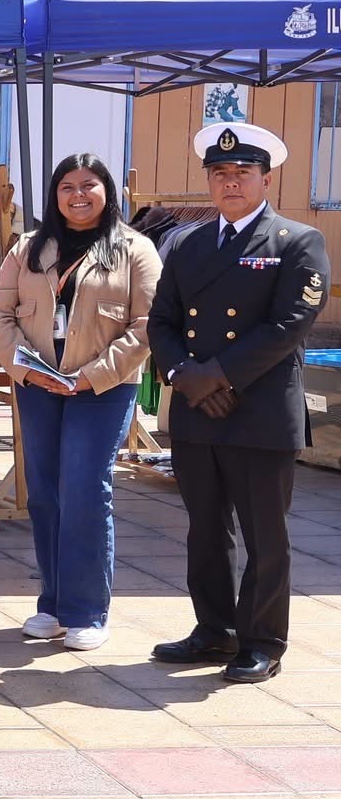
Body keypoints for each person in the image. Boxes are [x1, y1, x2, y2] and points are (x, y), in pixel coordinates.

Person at [147, 122, 328, 684]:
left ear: (265, 178)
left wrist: (219, 377)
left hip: (260, 411)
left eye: (242, 172)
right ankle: (214, 629)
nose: (231, 183)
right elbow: (163, 320)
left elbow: (288, 326)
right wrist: (184, 375)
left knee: (264, 534)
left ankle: (263, 640)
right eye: (220, 173)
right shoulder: (187, 243)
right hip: (200, 410)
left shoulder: (297, 241)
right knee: (205, 528)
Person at [0, 152, 159, 651]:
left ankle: (86, 610)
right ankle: (54, 604)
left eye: (89, 185)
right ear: (54, 195)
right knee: (43, 491)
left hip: (101, 390)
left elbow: (146, 326)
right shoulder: (28, 247)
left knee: (84, 489)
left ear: (108, 192)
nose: (78, 195)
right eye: (67, 187)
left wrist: (90, 377)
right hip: (39, 386)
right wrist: (24, 369)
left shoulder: (135, 250)